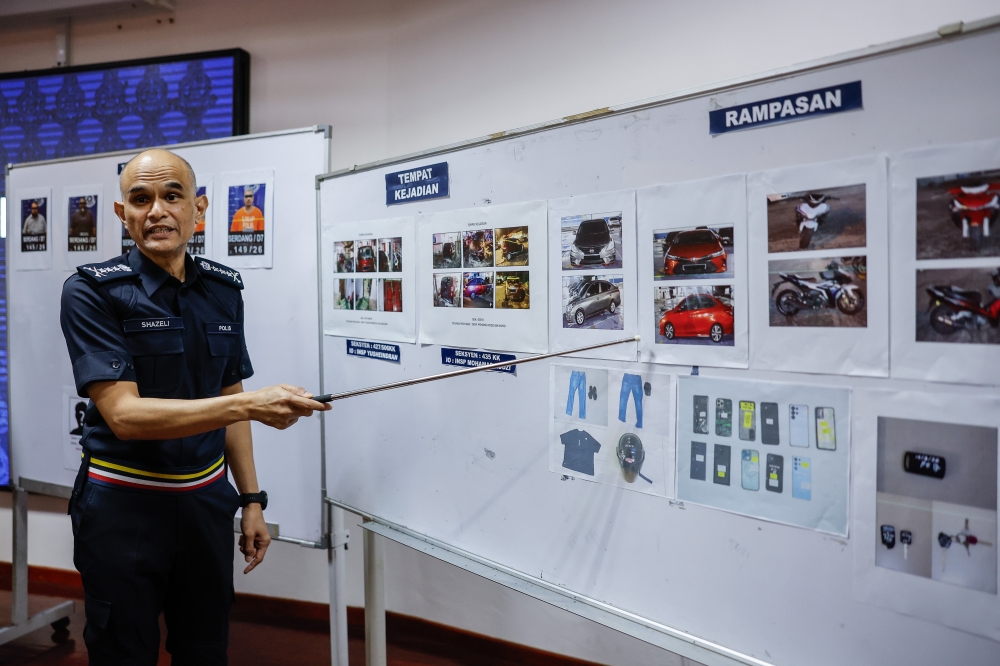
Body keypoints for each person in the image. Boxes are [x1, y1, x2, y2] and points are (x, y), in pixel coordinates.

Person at [60, 148, 329, 664]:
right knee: (123, 650)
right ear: (122, 214)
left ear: (199, 209)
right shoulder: (92, 292)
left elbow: (229, 395)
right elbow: (125, 416)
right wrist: (251, 404)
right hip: (123, 507)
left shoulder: (224, 290)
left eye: (172, 196)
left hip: (207, 504)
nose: (157, 210)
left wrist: (251, 498)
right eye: (141, 199)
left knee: (205, 648)